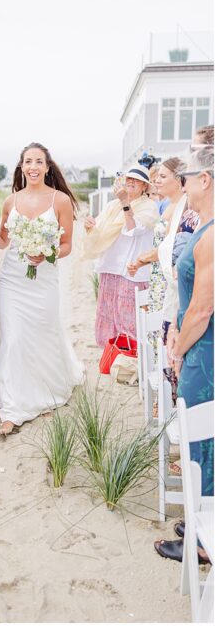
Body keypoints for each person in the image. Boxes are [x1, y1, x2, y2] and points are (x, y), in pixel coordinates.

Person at [0, 143, 84, 435]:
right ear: (21, 166)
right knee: (13, 337)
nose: (33, 166)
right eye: (28, 161)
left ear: (47, 167)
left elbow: (67, 244)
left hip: (44, 279)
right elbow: (2, 241)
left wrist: (47, 253)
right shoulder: (10, 202)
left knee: (43, 333)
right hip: (12, 279)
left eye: (38, 162)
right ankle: (12, 406)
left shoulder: (60, 201)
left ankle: (45, 387)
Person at [155, 143, 214, 564]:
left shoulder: (213, 236)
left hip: (205, 350)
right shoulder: (207, 226)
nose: (183, 182)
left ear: (205, 181)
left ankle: (202, 538)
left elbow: (203, 307)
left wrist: (179, 347)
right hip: (196, 340)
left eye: (188, 176)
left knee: (202, 437)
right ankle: (199, 516)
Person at [82, 166, 159, 348]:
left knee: (129, 318)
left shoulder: (149, 207)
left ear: (145, 186)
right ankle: (111, 359)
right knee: (107, 315)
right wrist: (89, 226)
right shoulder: (111, 206)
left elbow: (134, 229)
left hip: (132, 271)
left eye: (136, 180)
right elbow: (99, 231)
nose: (131, 182)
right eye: (128, 178)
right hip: (109, 267)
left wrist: (125, 202)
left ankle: (130, 362)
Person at [126, 158, 186, 333]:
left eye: (162, 176)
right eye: (157, 176)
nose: (156, 180)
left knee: (160, 332)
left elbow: (170, 248)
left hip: (166, 277)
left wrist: (141, 259)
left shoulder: (182, 208)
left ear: (178, 179)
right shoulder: (170, 205)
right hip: (157, 274)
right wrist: (141, 262)